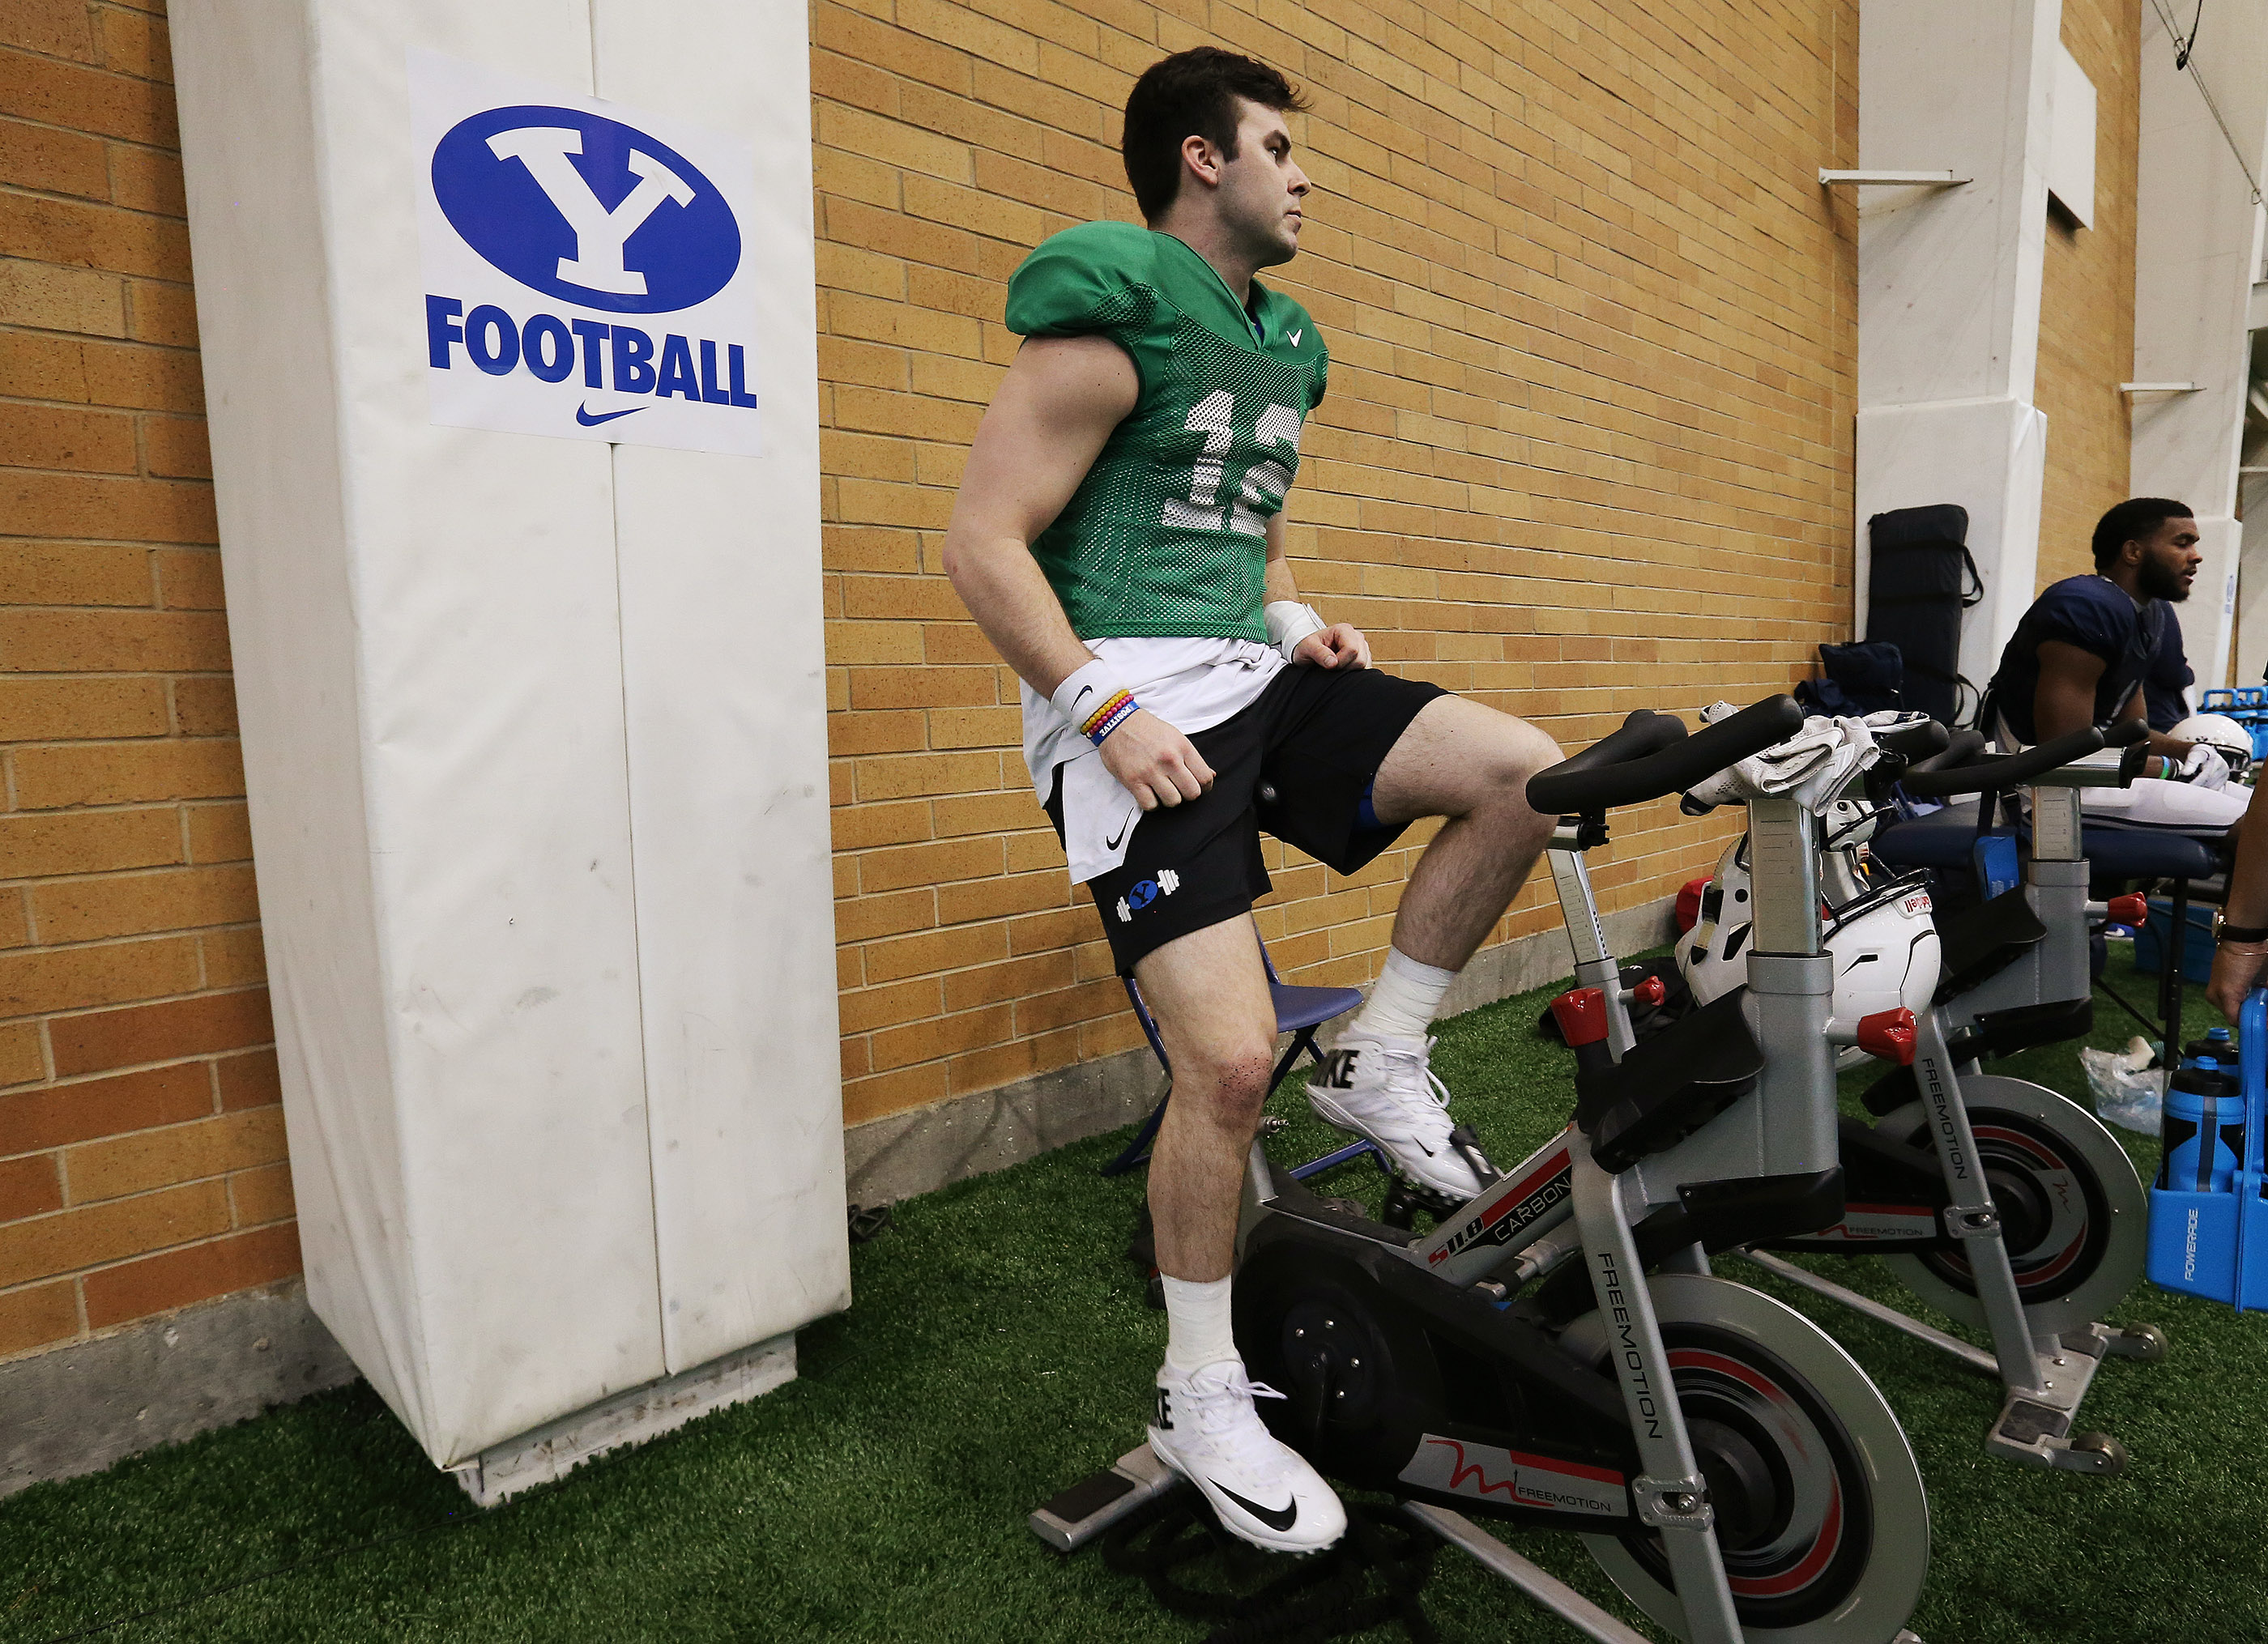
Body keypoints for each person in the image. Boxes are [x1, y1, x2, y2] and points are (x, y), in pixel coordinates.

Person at [942, 48, 1561, 1554]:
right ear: (1201, 162)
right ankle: (1200, 1389)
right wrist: (1104, 707)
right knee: (1224, 1071)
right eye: (1276, 145)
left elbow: (1253, 530)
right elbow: (980, 542)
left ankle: (1382, 1052)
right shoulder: (1113, 317)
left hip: (1252, 677)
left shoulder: (1283, 340)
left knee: (1524, 775)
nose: (1306, 173)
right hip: (1134, 711)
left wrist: (1296, 626)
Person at [1980, 498, 2245, 833]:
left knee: (2257, 808)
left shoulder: (2148, 614)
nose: (2196, 555)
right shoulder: (2086, 605)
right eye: (2182, 543)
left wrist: (2193, 751)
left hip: (2101, 779)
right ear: (2133, 552)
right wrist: (2172, 769)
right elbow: (2064, 757)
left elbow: (2133, 735)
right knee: (2255, 832)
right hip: (2048, 795)